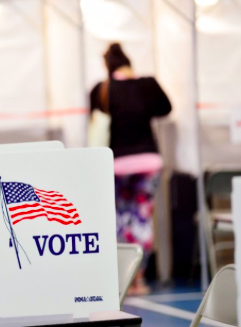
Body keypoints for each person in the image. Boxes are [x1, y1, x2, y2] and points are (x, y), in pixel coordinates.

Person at [90, 43, 172, 295]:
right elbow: (166, 109)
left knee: (118, 219)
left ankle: (122, 278)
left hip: (117, 165)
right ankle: (139, 278)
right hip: (148, 163)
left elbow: (95, 121)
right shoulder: (147, 85)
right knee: (141, 219)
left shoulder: (102, 90)